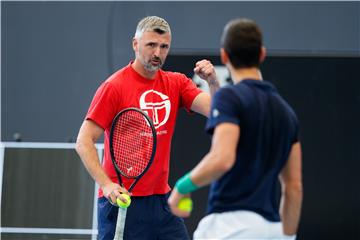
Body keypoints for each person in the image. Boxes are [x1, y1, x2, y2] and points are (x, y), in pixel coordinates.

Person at [75, 16, 218, 240]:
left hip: (161, 202)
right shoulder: (114, 87)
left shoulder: (176, 83)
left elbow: (218, 112)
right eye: (151, 45)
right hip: (121, 201)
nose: (157, 53)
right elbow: (83, 141)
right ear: (135, 44)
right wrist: (107, 185)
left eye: (164, 47)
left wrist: (212, 82)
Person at [168, 18, 303, 239]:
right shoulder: (286, 112)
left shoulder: (228, 97)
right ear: (261, 54)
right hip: (273, 230)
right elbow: (294, 187)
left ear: (224, 56)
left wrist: (182, 187)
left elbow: (222, 158)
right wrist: (287, 236)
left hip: (230, 227)